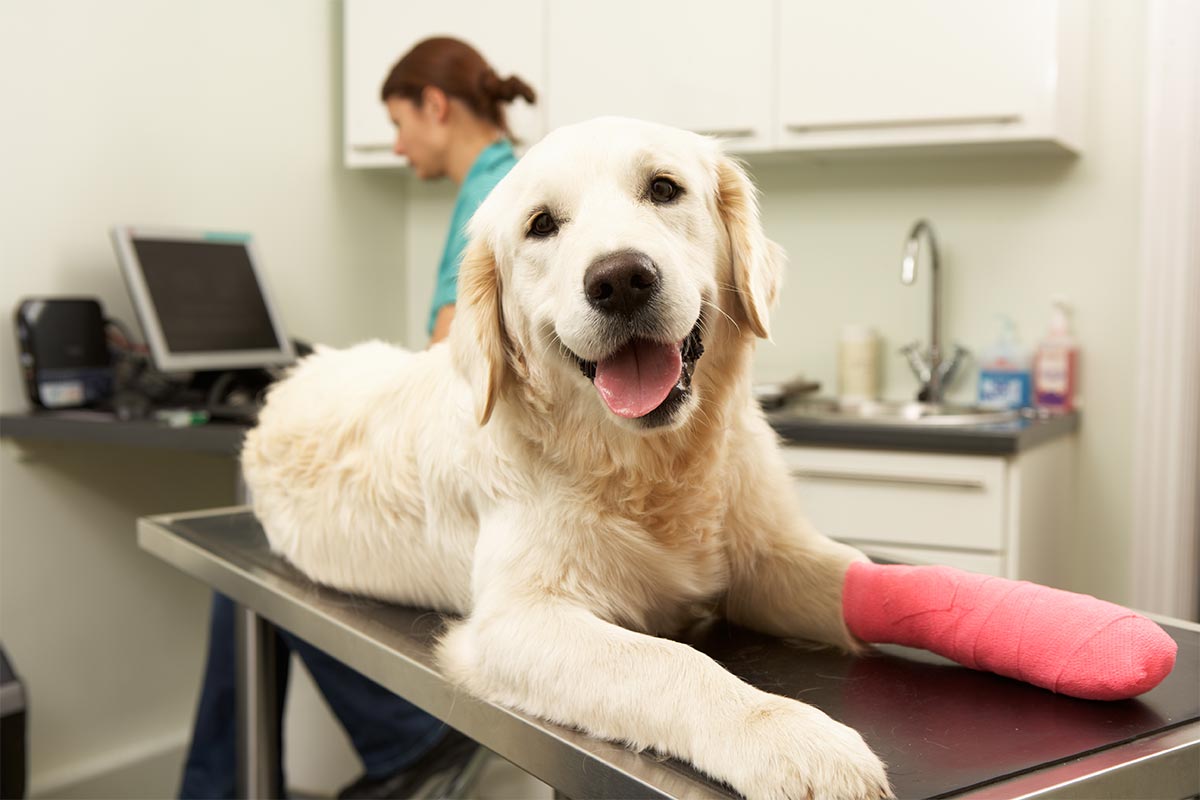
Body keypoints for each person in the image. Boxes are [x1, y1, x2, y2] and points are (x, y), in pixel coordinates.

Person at [177, 37, 535, 800]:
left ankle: (403, 739)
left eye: (400, 122)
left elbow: (455, 371)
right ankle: (367, 747)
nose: (399, 145)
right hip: (506, 478)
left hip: (497, 493)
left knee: (268, 507)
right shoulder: (508, 182)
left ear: (435, 106)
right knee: (267, 522)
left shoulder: (494, 198)